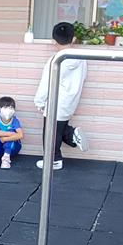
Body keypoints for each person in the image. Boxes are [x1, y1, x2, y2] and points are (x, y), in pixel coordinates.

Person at [34, 21, 88, 170]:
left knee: (50, 133)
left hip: (55, 100)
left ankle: (54, 159)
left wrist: (39, 101)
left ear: (54, 40)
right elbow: (83, 78)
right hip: (71, 101)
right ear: (73, 39)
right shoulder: (81, 58)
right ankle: (72, 136)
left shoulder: (55, 60)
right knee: (59, 129)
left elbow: (46, 83)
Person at [0, 95, 23, 170]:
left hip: (12, 149)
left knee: (11, 131)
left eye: (11, 107)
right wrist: (11, 134)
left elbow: (20, 135)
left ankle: (6, 158)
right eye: (6, 107)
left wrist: (5, 139)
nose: (9, 110)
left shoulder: (14, 120)